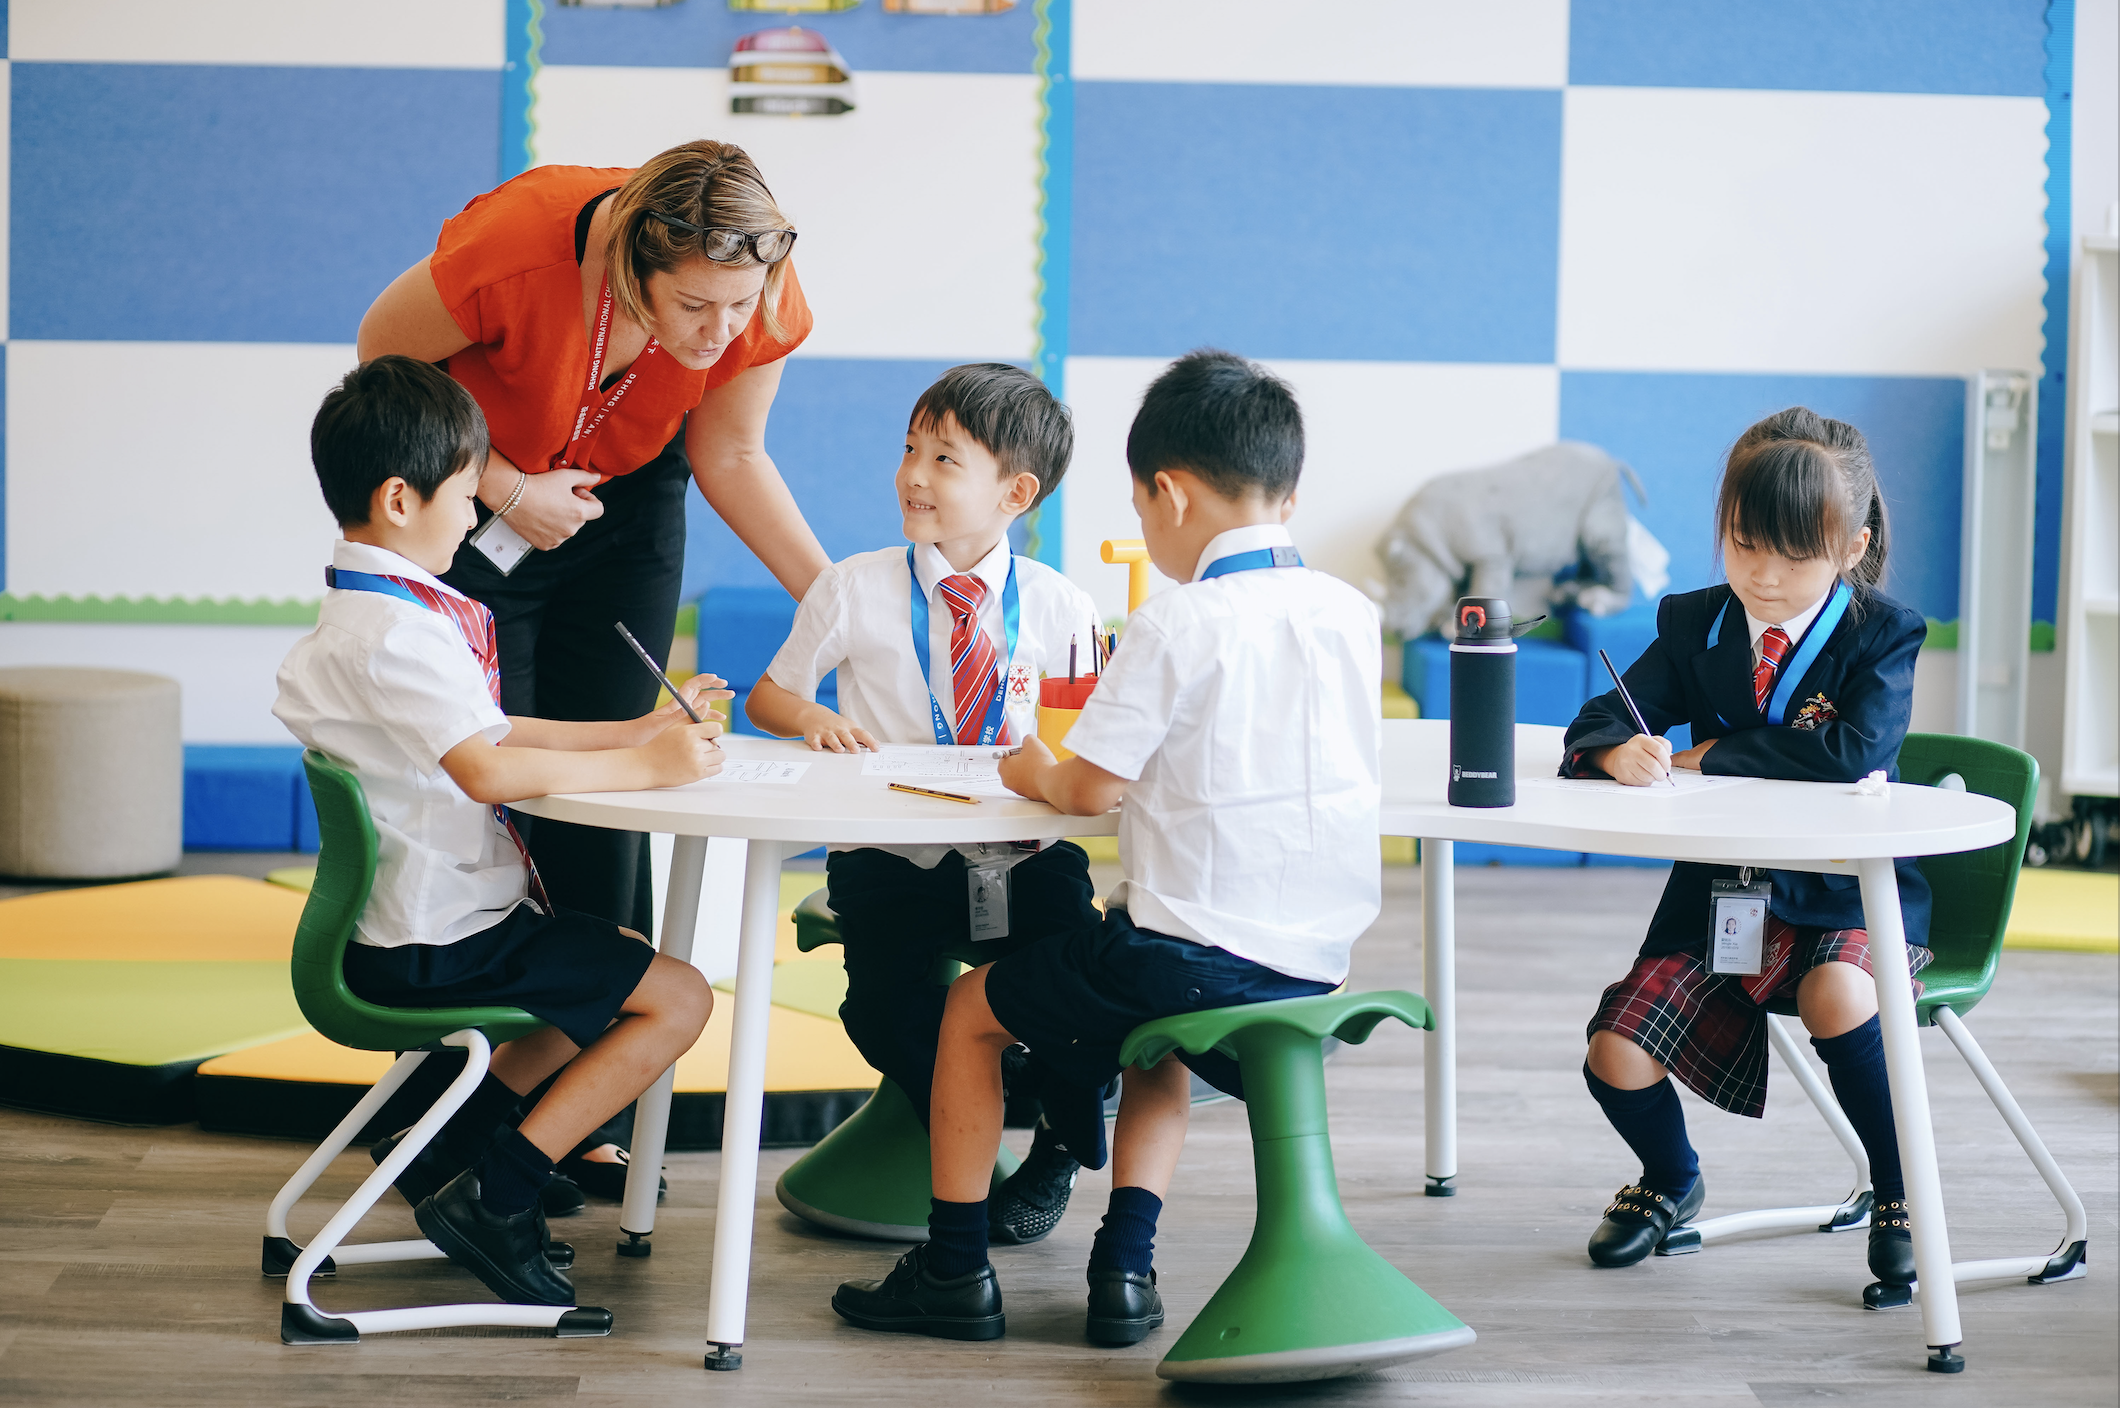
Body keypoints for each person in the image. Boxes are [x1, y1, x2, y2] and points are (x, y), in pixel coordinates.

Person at [829, 350, 1383, 1345]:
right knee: (1148, 1044)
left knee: (969, 1010)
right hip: (1316, 957)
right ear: (1287, 490)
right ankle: (1122, 1266)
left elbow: (1086, 786)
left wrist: (1025, 769)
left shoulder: (1175, 619)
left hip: (1184, 952)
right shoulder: (1349, 612)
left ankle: (953, 1269)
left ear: (1166, 492)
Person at [357, 139, 827, 1191]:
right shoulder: (515, 249)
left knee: (619, 775)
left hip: (626, 499)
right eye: (695, 307)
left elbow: (732, 453)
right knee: (491, 788)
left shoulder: (758, 282)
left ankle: (578, 1102)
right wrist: (506, 485)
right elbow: (385, 368)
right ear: (631, 270)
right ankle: (443, 1097)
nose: (721, 333)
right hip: (479, 497)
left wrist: (836, 601)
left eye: (739, 306)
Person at [274, 357, 724, 1308]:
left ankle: (449, 1142)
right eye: (463, 493)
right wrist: (646, 769)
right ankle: (498, 1193)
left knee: (622, 958)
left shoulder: (372, 616)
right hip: (436, 943)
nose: (475, 517)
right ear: (401, 499)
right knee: (679, 999)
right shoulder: (397, 635)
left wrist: (636, 730)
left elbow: (496, 729)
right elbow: (486, 767)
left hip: (418, 926)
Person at [1560, 406, 1930, 1287]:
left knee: (1840, 990)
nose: (1763, 577)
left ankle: (1899, 1186)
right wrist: (1618, 749)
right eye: (1743, 545)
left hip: (1847, 894)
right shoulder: (1696, 622)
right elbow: (1600, 717)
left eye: (1794, 555)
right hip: (1726, 894)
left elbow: (1852, 751)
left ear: (1852, 547)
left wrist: (1710, 753)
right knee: (1613, 1045)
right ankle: (1670, 1181)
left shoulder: (1882, 633)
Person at [747, 363, 1107, 1244]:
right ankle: (998, 1106)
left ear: (1015, 492)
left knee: (1086, 992)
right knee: (877, 1012)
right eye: (910, 449)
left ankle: (1060, 1152)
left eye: (946, 459)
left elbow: (1089, 733)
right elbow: (768, 699)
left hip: (1022, 853)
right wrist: (814, 716)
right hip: (890, 858)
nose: (914, 473)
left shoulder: (1061, 605)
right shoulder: (854, 586)